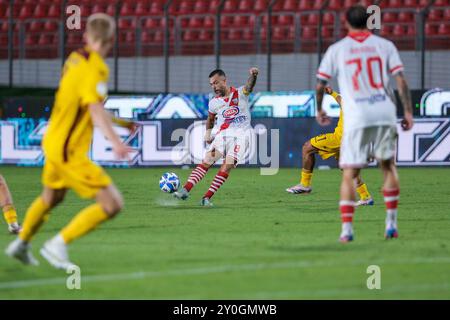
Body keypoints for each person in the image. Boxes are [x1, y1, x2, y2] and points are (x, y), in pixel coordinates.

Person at [6, 13, 134, 269]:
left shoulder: (75, 58)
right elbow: (95, 109)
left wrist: (120, 123)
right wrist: (116, 141)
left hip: (53, 141)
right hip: (69, 150)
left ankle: (21, 244)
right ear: (111, 39)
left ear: (87, 36)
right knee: (112, 204)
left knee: (51, 198)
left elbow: (85, 105)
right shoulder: (96, 67)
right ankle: (58, 244)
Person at [315, 5, 413, 242]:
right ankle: (391, 224)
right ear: (369, 22)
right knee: (388, 167)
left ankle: (347, 230)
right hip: (383, 110)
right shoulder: (385, 45)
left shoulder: (337, 49)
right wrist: (408, 111)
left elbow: (320, 84)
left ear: (346, 23)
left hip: (356, 114)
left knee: (349, 172)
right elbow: (400, 80)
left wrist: (319, 109)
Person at [174, 68, 258, 206]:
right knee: (207, 160)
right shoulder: (214, 102)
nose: (214, 86)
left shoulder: (241, 93)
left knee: (227, 165)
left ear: (224, 81)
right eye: (211, 84)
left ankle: (206, 198)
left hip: (242, 137)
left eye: (216, 83)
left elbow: (250, 85)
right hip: (223, 137)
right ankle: (185, 190)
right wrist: (208, 133)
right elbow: (210, 119)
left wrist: (254, 76)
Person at [286, 87, 374, 206]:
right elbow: (341, 100)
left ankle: (305, 184)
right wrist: (332, 93)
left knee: (307, 147)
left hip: (339, 139)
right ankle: (365, 196)